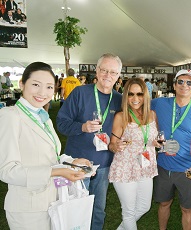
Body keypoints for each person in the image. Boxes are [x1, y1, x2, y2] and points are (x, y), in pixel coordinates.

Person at [0, 62, 91, 229]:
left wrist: (73, 162)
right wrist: (57, 172)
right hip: (28, 210)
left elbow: (51, 156)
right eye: (36, 85)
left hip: (52, 203)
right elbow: (7, 171)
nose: (43, 92)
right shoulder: (10, 116)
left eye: (49, 87)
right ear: (22, 84)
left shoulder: (43, 116)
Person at [57, 53, 123, 230]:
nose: (108, 75)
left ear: (118, 76)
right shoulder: (80, 93)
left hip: (104, 163)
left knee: (98, 209)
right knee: (76, 207)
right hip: (78, 163)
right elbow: (61, 123)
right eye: (104, 70)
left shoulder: (119, 99)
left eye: (113, 72)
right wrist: (82, 127)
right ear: (97, 70)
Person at [151, 69, 191, 230]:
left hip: (187, 168)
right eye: (181, 82)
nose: (185, 85)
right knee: (164, 203)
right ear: (174, 85)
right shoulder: (160, 103)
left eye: (189, 82)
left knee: (187, 208)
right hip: (164, 165)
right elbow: (138, 106)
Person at [108, 78, 158, 229]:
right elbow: (111, 144)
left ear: (146, 95)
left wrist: (156, 143)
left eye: (139, 94)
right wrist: (115, 146)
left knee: (144, 207)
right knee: (129, 212)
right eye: (131, 94)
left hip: (145, 166)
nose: (135, 99)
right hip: (125, 168)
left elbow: (151, 138)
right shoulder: (121, 116)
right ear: (125, 96)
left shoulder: (152, 115)